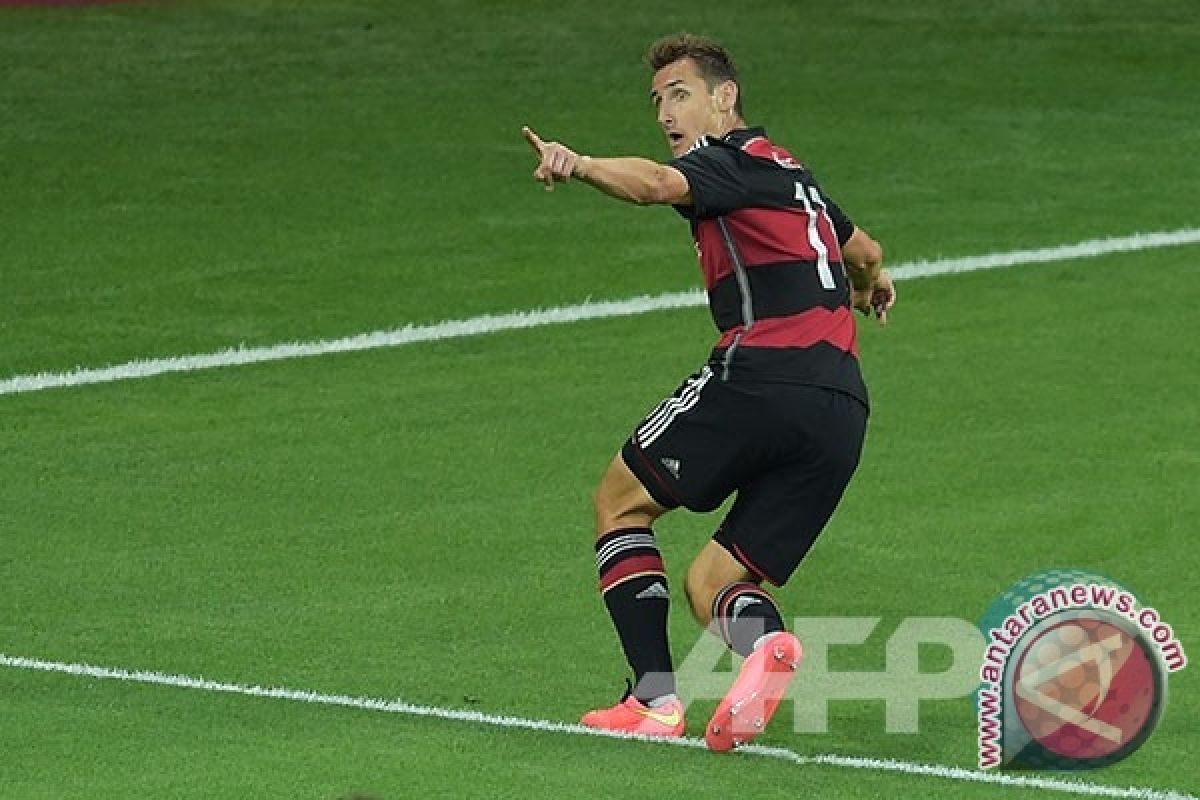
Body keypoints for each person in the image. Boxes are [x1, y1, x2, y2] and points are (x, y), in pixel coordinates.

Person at [522, 32, 895, 752]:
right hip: (842, 410)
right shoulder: (798, 176)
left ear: (725, 99)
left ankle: (654, 700)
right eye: (658, 100)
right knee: (713, 582)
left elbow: (658, 185)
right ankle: (766, 645)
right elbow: (868, 253)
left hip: (761, 379)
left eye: (681, 94)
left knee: (619, 502)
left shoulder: (727, 163)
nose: (665, 113)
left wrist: (580, 164)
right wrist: (867, 289)